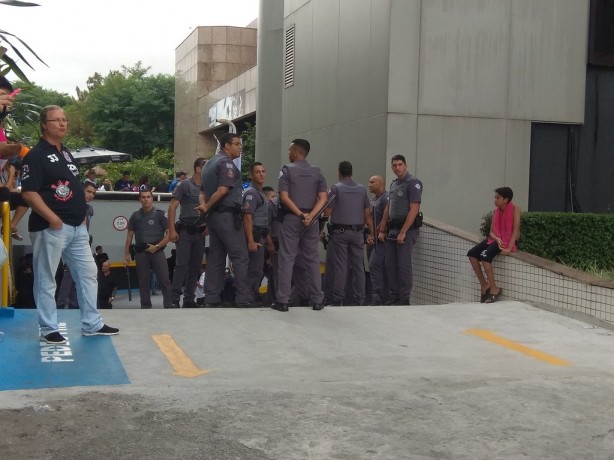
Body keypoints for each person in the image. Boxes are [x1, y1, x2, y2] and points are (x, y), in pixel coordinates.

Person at [20, 105, 119, 343]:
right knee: (46, 278)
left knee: (88, 273)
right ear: (45, 124)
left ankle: (92, 323)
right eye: (57, 120)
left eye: (65, 120)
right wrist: (52, 217)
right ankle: (48, 327)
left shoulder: (65, 152)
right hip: (51, 226)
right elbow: (29, 193)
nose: (63, 124)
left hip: (76, 226)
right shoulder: (35, 155)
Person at [196, 132, 252, 307]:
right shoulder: (226, 163)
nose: (240, 147)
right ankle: (243, 298)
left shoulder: (207, 164)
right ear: (226, 146)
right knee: (240, 256)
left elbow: (202, 192)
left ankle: (212, 298)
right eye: (236, 144)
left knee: (215, 258)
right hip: (227, 216)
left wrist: (206, 208)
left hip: (214, 218)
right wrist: (207, 207)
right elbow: (222, 190)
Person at [274, 138, 328, 311]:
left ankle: (283, 300)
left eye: (290, 150)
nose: (288, 153)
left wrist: (300, 214)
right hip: (311, 221)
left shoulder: (286, 170)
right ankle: (317, 300)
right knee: (312, 258)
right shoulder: (317, 172)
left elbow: (284, 197)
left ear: (297, 151)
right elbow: (323, 198)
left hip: (292, 218)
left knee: (287, 258)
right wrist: (311, 216)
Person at [324, 161, 374, 306]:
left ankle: (337, 299)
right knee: (358, 265)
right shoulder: (362, 189)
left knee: (341, 266)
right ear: (351, 172)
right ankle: (360, 299)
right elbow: (367, 213)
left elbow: (327, 212)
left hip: (340, 233)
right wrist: (371, 232)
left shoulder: (336, 189)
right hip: (357, 233)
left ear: (339, 172)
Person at [377, 154, 423, 306]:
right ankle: (394, 296)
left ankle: (404, 299)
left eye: (400, 165)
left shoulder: (413, 183)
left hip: (407, 230)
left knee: (403, 265)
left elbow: (414, 210)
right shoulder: (394, 184)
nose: (397, 168)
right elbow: (388, 208)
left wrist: (403, 231)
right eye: (394, 165)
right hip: (392, 229)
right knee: (390, 264)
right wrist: (382, 228)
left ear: (406, 165)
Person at [467, 187, 521, 303]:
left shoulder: (515, 209)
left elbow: (516, 230)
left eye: (498, 198)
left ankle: (494, 289)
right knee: (472, 254)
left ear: (506, 199)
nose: (495, 200)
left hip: (507, 241)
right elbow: (491, 232)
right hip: (495, 239)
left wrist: (508, 247)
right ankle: (484, 285)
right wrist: (496, 238)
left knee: (485, 257)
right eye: (495, 197)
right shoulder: (495, 211)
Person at [123, 188, 172, 308]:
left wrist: (156, 246)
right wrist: (126, 255)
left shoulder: (160, 215)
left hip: (157, 251)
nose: (146, 199)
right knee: (143, 282)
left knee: (165, 280)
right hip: (141, 253)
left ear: (152, 198)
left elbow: (170, 234)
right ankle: (145, 307)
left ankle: (169, 306)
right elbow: (129, 237)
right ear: (140, 199)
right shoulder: (135, 216)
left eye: (148, 197)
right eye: (143, 197)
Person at [168, 157, 207, 308]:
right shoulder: (185, 185)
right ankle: (174, 299)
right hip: (185, 229)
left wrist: (208, 225)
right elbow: (172, 207)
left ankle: (189, 299)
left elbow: (209, 208)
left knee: (196, 266)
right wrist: (171, 230)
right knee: (181, 265)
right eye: (206, 166)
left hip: (200, 231)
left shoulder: (207, 187)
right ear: (198, 168)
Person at [56, 180, 98, 309]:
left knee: (78, 275)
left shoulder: (88, 208)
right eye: (89, 191)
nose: (91, 195)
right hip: (70, 242)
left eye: (93, 193)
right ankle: (61, 304)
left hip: (82, 243)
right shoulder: (72, 204)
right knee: (70, 275)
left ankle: (74, 304)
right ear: (81, 190)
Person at [242, 162, 275, 304]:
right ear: (251, 175)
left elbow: (264, 221)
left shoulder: (260, 193)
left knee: (258, 270)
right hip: (254, 236)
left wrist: (268, 242)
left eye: (263, 171)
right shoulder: (251, 193)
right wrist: (250, 240)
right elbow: (248, 218)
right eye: (257, 172)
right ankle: (247, 299)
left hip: (261, 235)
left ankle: (252, 296)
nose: (261, 174)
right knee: (253, 270)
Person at [367, 175, 390, 305]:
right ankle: (377, 296)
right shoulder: (373, 199)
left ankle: (379, 298)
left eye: (372, 182)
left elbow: (385, 219)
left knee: (374, 265)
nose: (369, 184)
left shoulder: (386, 198)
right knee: (373, 267)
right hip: (371, 239)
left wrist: (374, 235)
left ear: (380, 184)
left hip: (381, 240)